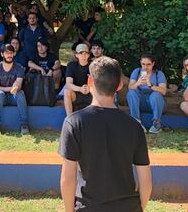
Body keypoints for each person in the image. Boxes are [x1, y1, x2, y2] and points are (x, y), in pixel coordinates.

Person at [59, 56, 152, 212]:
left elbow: (68, 178)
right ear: (120, 85)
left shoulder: (74, 122)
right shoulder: (134, 126)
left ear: (90, 82)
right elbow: (145, 180)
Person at [0, 44, 29, 136]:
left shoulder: (19, 67)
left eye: (11, 53)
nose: (9, 55)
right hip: (1, 97)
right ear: (2, 54)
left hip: (14, 96)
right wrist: (10, 88)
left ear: (14, 54)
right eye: (6, 53)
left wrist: (15, 88)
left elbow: (18, 85)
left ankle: (24, 125)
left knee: (20, 94)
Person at [126, 53, 167, 133]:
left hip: (156, 104)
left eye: (148, 64)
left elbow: (163, 91)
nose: (145, 67)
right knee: (131, 92)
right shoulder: (137, 71)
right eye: (143, 64)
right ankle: (136, 122)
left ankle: (156, 123)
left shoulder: (159, 73)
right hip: (141, 102)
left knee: (156, 94)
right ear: (140, 63)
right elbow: (130, 87)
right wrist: (138, 83)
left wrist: (150, 85)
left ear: (153, 64)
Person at [64, 43, 93, 116]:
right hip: (77, 94)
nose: (83, 55)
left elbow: (98, 82)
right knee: (67, 92)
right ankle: (69, 118)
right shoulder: (71, 65)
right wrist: (80, 89)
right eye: (81, 53)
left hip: (91, 94)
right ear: (76, 55)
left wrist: (90, 88)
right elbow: (68, 84)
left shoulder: (93, 65)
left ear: (89, 54)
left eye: (86, 53)